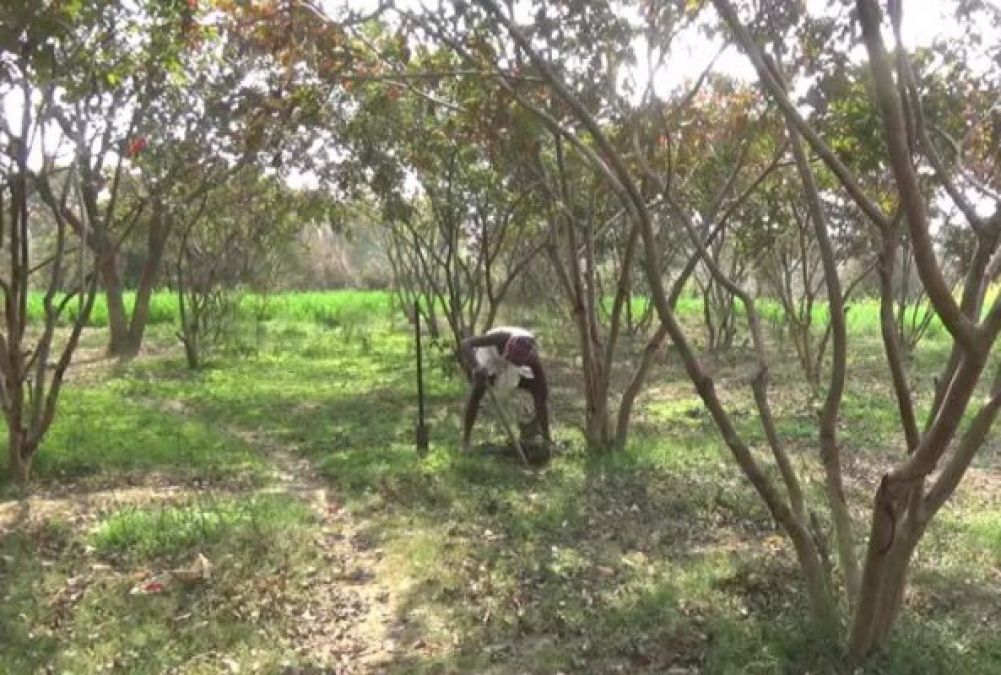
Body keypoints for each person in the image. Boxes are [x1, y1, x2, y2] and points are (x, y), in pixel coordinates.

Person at [460, 326, 551, 453]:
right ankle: (466, 440)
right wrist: (477, 367)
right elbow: (466, 343)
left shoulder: (531, 356)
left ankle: (545, 437)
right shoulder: (500, 338)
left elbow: (543, 389)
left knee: (538, 390)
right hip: (489, 358)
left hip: (514, 363)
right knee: (478, 388)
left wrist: (537, 419)